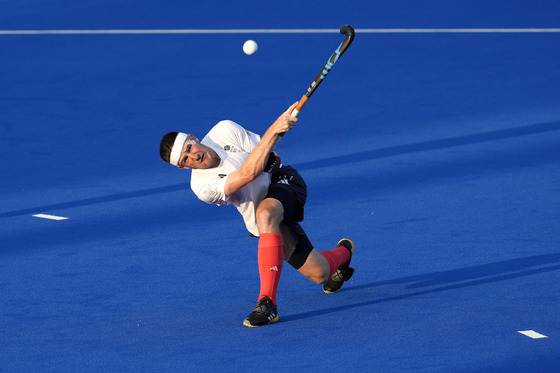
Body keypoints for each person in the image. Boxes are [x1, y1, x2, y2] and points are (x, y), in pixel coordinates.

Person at [159, 102, 355, 327]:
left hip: (283, 183)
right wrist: (274, 129)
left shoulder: (224, 129)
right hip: (261, 218)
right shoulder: (202, 187)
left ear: (193, 137)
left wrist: (269, 154)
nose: (193, 156)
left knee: (265, 213)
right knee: (320, 273)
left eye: (189, 147)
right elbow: (249, 172)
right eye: (185, 159)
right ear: (182, 168)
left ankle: (267, 303)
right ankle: (343, 254)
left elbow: (274, 160)